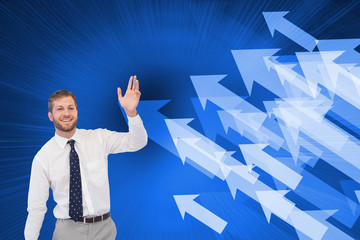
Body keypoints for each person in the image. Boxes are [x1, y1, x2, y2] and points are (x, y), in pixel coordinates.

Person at [24, 76, 148, 240]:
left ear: (77, 111)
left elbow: (137, 142)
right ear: (50, 115)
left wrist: (131, 113)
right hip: (67, 232)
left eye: (71, 108)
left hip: (105, 229)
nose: (66, 113)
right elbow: (37, 207)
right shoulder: (43, 157)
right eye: (60, 109)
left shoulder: (99, 138)